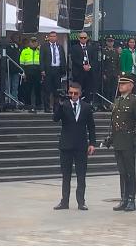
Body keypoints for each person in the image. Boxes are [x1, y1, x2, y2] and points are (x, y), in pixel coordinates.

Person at [52, 82, 96, 211]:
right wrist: (59, 105)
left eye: (75, 93)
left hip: (81, 145)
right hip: (66, 145)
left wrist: (92, 143)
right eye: (70, 93)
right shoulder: (64, 105)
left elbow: (91, 127)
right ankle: (64, 201)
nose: (73, 95)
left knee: (81, 175)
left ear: (80, 93)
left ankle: (81, 201)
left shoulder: (86, 107)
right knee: (66, 176)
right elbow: (55, 119)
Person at [106, 72, 136, 212]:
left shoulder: (135, 101)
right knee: (122, 171)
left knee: (130, 171)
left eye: (124, 83)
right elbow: (114, 122)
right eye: (120, 83)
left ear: (131, 86)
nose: (121, 85)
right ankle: (124, 198)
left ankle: (131, 198)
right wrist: (111, 137)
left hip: (129, 139)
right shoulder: (117, 101)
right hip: (118, 139)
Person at [69, 31, 99, 105]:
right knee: (79, 89)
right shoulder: (74, 48)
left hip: (89, 72)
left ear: (87, 38)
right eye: (81, 38)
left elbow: (94, 59)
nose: (83, 39)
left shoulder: (91, 48)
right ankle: (77, 104)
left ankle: (87, 105)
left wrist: (89, 66)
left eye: (84, 38)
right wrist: (83, 65)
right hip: (79, 72)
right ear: (79, 38)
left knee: (88, 90)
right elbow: (74, 59)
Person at [40, 31, 66, 113]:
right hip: (48, 70)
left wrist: (63, 70)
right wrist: (42, 70)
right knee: (47, 90)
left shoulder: (60, 47)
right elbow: (41, 59)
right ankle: (47, 107)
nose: (52, 38)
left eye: (54, 36)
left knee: (57, 90)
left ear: (56, 37)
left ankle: (56, 108)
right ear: (49, 37)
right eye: (51, 36)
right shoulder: (44, 46)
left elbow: (63, 58)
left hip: (57, 69)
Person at [18, 36, 42, 112]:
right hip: (28, 73)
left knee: (38, 90)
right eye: (32, 41)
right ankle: (28, 104)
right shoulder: (24, 51)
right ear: (29, 43)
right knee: (28, 89)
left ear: (37, 43)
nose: (33, 43)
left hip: (38, 73)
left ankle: (39, 105)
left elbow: (43, 62)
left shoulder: (40, 51)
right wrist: (23, 73)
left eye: (35, 41)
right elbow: (21, 63)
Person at [101, 36, 120, 107]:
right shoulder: (104, 51)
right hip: (107, 73)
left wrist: (118, 73)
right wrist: (103, 73)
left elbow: (118, 63)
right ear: (106, 42)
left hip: (114, 73)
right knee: (107, 89)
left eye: (111, 41)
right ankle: (106, 103)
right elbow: (102, 64)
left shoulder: (115, 51)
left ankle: (112, 103)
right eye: (109, 41)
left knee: (114, 89)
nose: (110, 43)